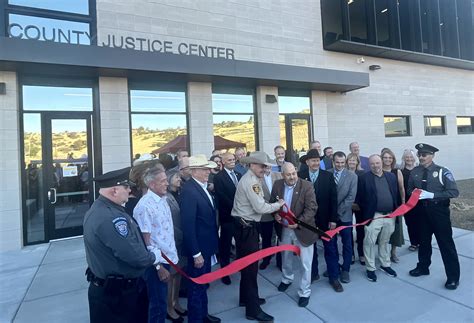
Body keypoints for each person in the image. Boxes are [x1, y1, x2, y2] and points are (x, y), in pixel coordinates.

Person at [83, 167, 161, 323]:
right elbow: (135, 256)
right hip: (118, 296)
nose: (130, 190)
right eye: (126, 187)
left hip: (112, 291)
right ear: (114, 191)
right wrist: (153, 257)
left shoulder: (102, 209)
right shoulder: (111, 218)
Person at [232, 151, 284, 322]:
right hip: (247, 229)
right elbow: (261, 208)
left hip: (244, 227)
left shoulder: (253, 179)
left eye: (266, 166)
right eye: (262, 166)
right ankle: (252, 310)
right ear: (253, 165)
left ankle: (245, 299)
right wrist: (279, 205)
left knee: (245, 267)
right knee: (250, 269)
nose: (265, 169)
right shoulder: (251, 182)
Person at [408, 143, 460, 290]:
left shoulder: (443, 171)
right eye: (419, 154)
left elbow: (454, 192)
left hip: (439, 212)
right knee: (423, 242)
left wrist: (433, 195)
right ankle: (423, 267)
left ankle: (453, 277)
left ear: (432, 156)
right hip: (422, 212)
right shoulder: (415, 172)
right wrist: (414, 193)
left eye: (425, 154)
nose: (421, 157)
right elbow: (410, 188)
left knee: (446, 244)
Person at [134, 166, 178, 323]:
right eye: (163, 181)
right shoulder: (144, 206)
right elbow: (145, 241)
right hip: (157, 265)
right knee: (158, 305)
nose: (167, 183)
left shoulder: (163, 199)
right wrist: (158, 267)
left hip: (169, 258)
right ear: (152, 184)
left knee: (162, 301)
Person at [180, 155, 221, 323]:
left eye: (208, 169)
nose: (208, 172)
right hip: (199, 250)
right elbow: (188, 226)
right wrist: (196, 253)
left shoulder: (200, 187)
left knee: (203, 284)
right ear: (194, 171)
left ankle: (203, 315)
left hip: (206, 246)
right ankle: (196, 318)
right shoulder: (190, 191)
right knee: (196, 287)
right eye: (204, 169)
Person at [271, 163, 317, 307]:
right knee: (286, 257)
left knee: (305, 263)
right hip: (284, 229)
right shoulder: (277, 184)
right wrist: (276, 215)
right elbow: (273, 203)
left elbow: (312, 208)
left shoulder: (307, 186)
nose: (292, 177)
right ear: (282, 175)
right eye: (288, 174)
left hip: (302, 229)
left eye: (293, 173)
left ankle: (305, 291)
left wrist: (299, 223)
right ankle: (286, 279)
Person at [297, 149, 341, 292]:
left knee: (331, 249)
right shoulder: (301, 176)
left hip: (326, 220)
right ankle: (313, 274)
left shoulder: (328, 176)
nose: (316, 163)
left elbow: (334, 199)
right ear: (307, 162)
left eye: (317, 160)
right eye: (313, 160)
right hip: (308, 221)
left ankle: (334, 277)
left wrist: (333, 219)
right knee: (311, 250)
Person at [357, 155, 399, 282]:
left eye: (377, 163)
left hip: (389, 215)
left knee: (384, 241)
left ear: (382, 162)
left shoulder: (391, 176)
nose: (376, 166)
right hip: (374, 216)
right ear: (369, 165)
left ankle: (385, 264)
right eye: (373, 164)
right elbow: (360, 198)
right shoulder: (364, 178)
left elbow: (395, 193)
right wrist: (368, 211)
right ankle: (370, 268)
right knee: (369, 241)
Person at [213, 152, 242, 285]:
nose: (232, 161)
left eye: (233, 159)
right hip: (228, 217)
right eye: (229, 160)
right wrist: (237, 207)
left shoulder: (238, 175)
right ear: (223, 162)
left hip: (240, 217)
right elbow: (222, 196)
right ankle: (225, 273)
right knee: (225, 246)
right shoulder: (219, 177)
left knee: (241, 244)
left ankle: (241, 266)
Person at [329, 151, 357, 283]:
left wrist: (337, 214)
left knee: (347, 243)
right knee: (331, 244)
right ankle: (333, 267)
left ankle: (345, 269)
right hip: (329, 218)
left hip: (344, 216)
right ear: (333, 162)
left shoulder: (352, 176)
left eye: (342, 162)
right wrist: (331, 216)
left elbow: (351, 198)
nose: (339, 165)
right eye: (337, 162)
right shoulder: (327, 174)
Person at [165, 170, 188, 322]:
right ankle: (169, 307)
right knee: (171, 275)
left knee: (178, 273)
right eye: (176, 177)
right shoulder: (166, 198)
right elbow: (168, 222)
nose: (179, 179)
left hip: (181, 241)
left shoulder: (179, 193)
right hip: (173, 240)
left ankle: (176, 302)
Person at [381, 148, 406, 263]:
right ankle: (384, 253)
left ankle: (393, 253)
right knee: (383, 231)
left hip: (395, 205)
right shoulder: (378, 170)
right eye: (385, 157)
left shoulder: (397, 172)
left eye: (390, 158)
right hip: (382, 206)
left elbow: (401, 188)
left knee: (396, 230)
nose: (387, 160)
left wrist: (403, 203)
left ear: (393, 159)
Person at [259, 164, 282, 270]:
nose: (267, 168)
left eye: (269, 165)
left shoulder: (278, 175)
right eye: (265, 166)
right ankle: (266, 259)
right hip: (265, 213)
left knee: (280, 237)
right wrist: (271, 207)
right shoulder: (257, 178)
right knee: (266, 238)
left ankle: (280, 261)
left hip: (279, 212)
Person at [346, 153, 366, 265]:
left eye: (354, 160)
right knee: (348, 230)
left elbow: (363, 190)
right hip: (347, 206)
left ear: (357, 162)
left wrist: (357, 203)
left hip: (359, 206)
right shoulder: (344, 173)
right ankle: (351, 254)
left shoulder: (362, 174)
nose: (352, 162)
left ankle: (361, 253)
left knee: (360, 230)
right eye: (350, 160)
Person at [400, 149, 420, 251]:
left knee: (421, 222)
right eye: (407, 157)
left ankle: (421, 242)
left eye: (411, 157)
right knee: (410, 222)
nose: (409, 159)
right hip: (407, 202)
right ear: (404, 158)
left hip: (419, 201)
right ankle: (414, 243)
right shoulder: (401, 171)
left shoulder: (419, 169)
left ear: (414, 158)